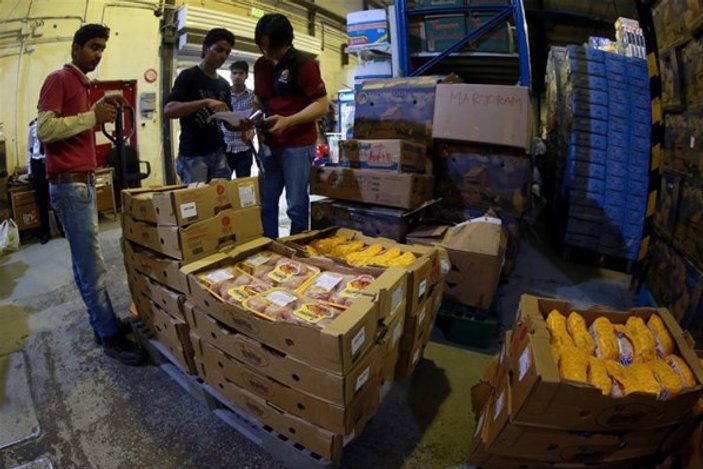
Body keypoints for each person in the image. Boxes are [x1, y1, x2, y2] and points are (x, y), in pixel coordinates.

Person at [37, 23, 145, 366]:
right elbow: (45, 129)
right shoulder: (59, 78)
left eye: (102, 49)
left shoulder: (81, 87)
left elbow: (74, 123)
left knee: (88, 262)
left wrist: (95, 107)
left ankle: (103, 323)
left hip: (79, 183)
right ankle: (108, 333)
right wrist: (92, 116)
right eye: (93, 47)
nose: (98, 54)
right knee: (92, 264)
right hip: (69, 184)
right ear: (75, 48)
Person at [253, 14, 330, 239]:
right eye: (262, 48)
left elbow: (322, 105)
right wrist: (249, 120)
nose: (267, 54)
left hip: (297, 145)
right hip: (268, 144)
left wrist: (288, 121)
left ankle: (298, 246)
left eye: (272, 49)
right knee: (266, 203)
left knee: (296, 204)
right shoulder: (260, 64)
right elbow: (260, 100)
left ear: (286, 42)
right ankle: (269, 246)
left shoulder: (304, 64)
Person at [164, 28, 235, 183]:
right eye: (219, 50)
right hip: (193, 155)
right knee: (196, 202)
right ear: (205, 48)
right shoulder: (188, 76)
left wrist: (243, 125)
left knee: (221, 202)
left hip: (218, 153)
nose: (223, 56)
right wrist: (205, 102)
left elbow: (227, 122)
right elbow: (169, 110)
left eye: (227, 52)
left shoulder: (224, 84)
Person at [222, 61, 256, 178]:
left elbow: (256, 119)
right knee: (222, 187)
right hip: (225, 147)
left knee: (244, 187)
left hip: (244, 148)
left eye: (241, 73)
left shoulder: (253, 96)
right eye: (234, 73)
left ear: (246, 75)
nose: (237, 76)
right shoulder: (223, 94)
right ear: (230, 75)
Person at [26, 118, 52, 244]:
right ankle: (46, 233)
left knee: (54, 197)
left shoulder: (51, 123)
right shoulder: (33, 126)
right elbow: (29, 148)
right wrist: (30, 171)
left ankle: (63, 229)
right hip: (37, 164)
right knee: (41, 200)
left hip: (49, 162)